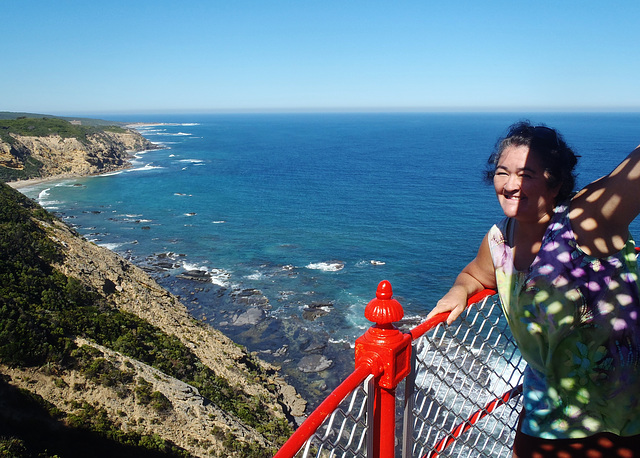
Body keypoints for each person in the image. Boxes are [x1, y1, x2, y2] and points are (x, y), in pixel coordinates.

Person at [427, 121, 640, 457]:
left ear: (554, 182)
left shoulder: (586, 220)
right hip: (547, 406)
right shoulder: (500, 238)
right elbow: (477, 274)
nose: (511, 185)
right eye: (502, 172)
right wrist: (460, 289)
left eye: (527, 174)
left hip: (620, 408)